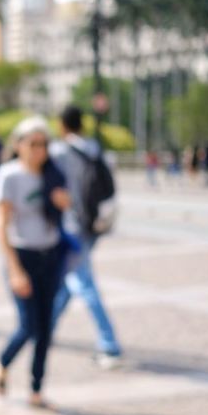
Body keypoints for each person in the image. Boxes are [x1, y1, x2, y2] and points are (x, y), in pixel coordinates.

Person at [0, 116, 69, 409]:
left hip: (51, 256)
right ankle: (2, 362)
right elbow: (1, 225)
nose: (39, 150)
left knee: (46, 328)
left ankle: (36, 389)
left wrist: (63, 201)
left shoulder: (53, 174)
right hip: (22, 257)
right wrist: (15, 270)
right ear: (19, 145)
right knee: (29, 325)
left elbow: (68, 205)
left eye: (44, 144)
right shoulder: (9, 176)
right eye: (33, 143)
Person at [49, 105, 123, 370]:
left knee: (83, 283)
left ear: (62, 124)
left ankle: (109, 344)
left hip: (72, 226)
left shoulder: (60, 151)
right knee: (68, 283)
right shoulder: (94, 147)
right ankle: (45, 330)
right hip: (93, 226)